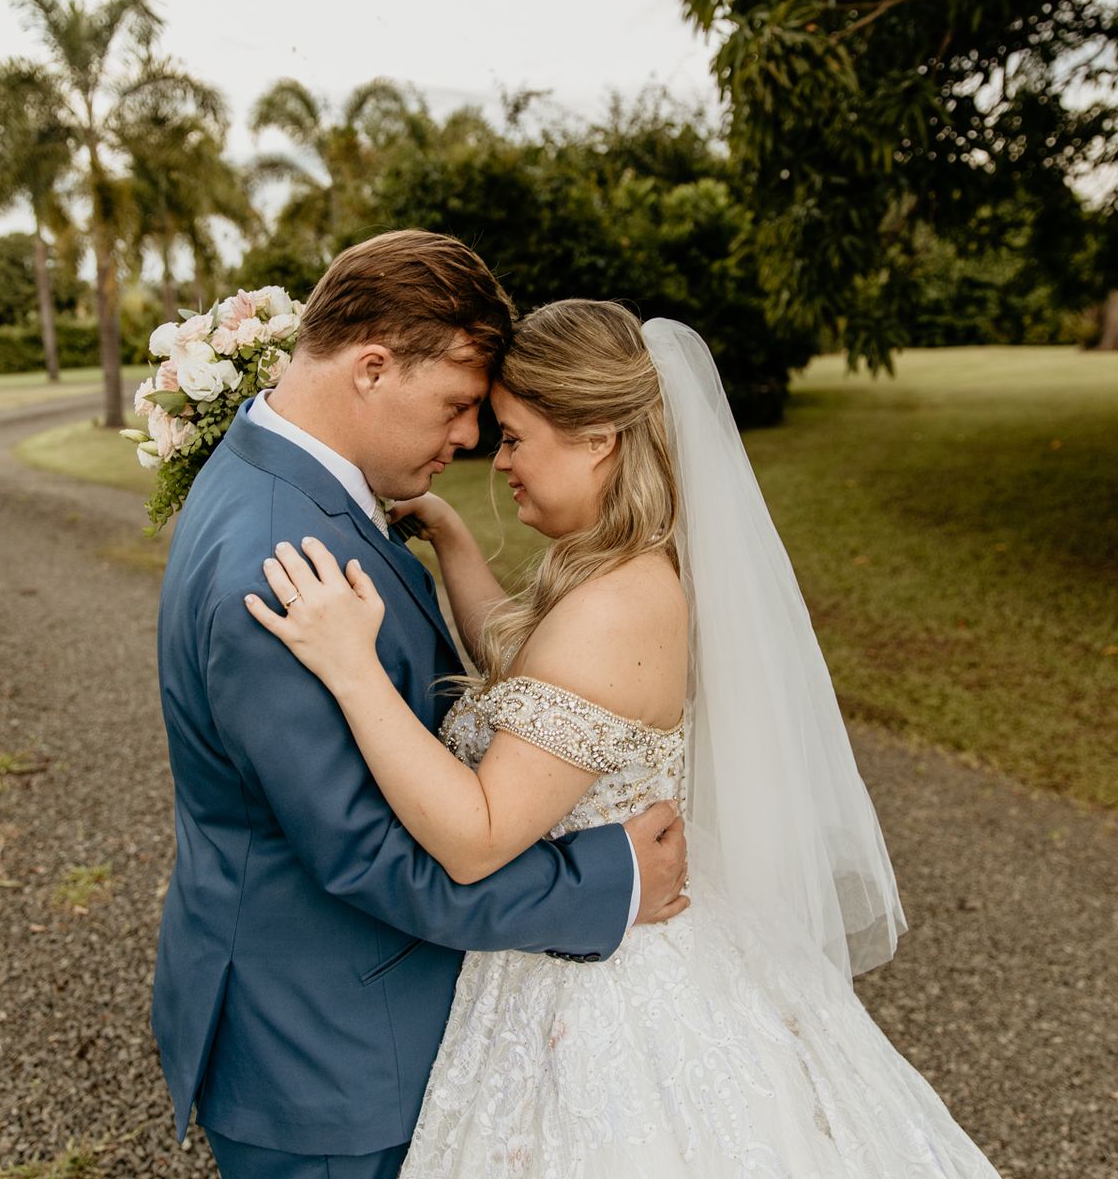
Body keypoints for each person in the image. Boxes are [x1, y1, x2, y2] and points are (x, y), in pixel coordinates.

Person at [248, 299, 1003, 1177]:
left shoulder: (614, 608)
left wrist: (352, 669)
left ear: (598, 438)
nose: (500, 462)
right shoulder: (622, 566)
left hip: (603, 990)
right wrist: (450, 534)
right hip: (582, 940)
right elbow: (533, 674)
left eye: (516, 437)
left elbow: (476, 835)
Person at [151, 236, 690, 1179]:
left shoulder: (288, 490)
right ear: (371, 369)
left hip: (355, 1022)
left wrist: (442, 544)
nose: (473, 441)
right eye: (458, 407)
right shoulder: (279, 573)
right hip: (329, 1058)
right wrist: (608, 883)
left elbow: (515, 685)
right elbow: (371, 855)